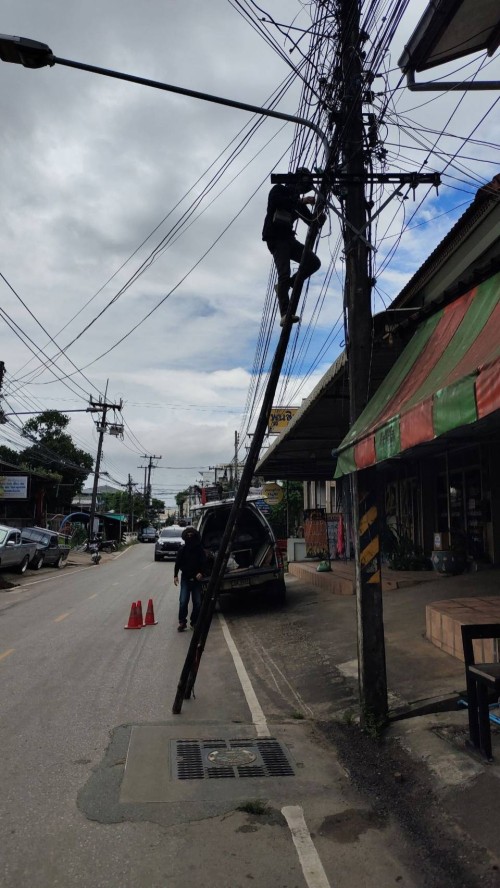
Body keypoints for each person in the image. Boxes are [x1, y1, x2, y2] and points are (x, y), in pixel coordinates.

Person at [262, 166, 325, 326]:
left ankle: (286, 285)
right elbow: (278, 202)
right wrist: (301, 201)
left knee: (313, 263)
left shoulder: (297, 201)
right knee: (284, 272)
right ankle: (285, 314)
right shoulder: (279, 190)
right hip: (276, 238)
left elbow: (311, 220)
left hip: (289, 239)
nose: (301, 190)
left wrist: (319, 215)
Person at [174, 526, 206, 632]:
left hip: (197, 580)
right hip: (185, 579)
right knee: (183, 601)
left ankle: (194, 622)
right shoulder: (183, 549)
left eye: (191, 535)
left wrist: (201, 573)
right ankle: (182, 622)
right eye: (187, 535)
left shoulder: (200, 549)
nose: (189, 537)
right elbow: (177, 563)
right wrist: (175, 576)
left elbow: (204, 563)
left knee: (197, 603)